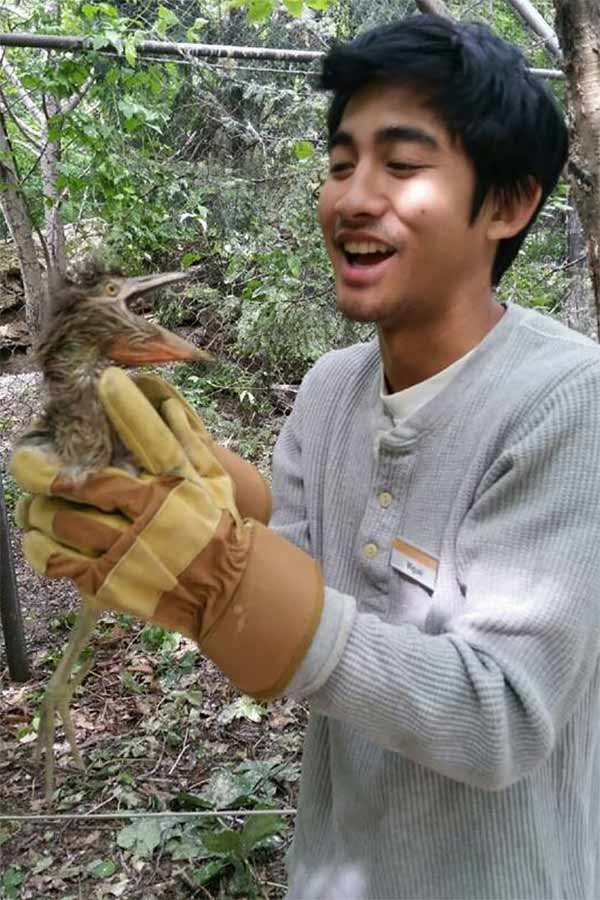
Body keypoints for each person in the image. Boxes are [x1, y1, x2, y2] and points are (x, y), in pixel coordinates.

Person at [11, 13, 600, 900]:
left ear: (508, 203)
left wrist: (225, 578)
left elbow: (503, 719)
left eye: (402, 166)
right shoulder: (331, 390)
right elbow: (308, 605)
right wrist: (213, 498)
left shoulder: (568, 404)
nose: (353, 196)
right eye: (339, 163)